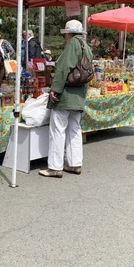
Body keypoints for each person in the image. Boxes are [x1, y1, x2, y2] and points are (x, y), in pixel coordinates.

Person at [39, 20, 92, 178]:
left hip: (67, 95)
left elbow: (63, 69)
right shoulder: (86, 47)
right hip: (79, 95)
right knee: (75, 130)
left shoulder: (72, 45)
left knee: (57, 130)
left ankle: (55, 167)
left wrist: (55, 89)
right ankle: (75, 164)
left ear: (68, 33)